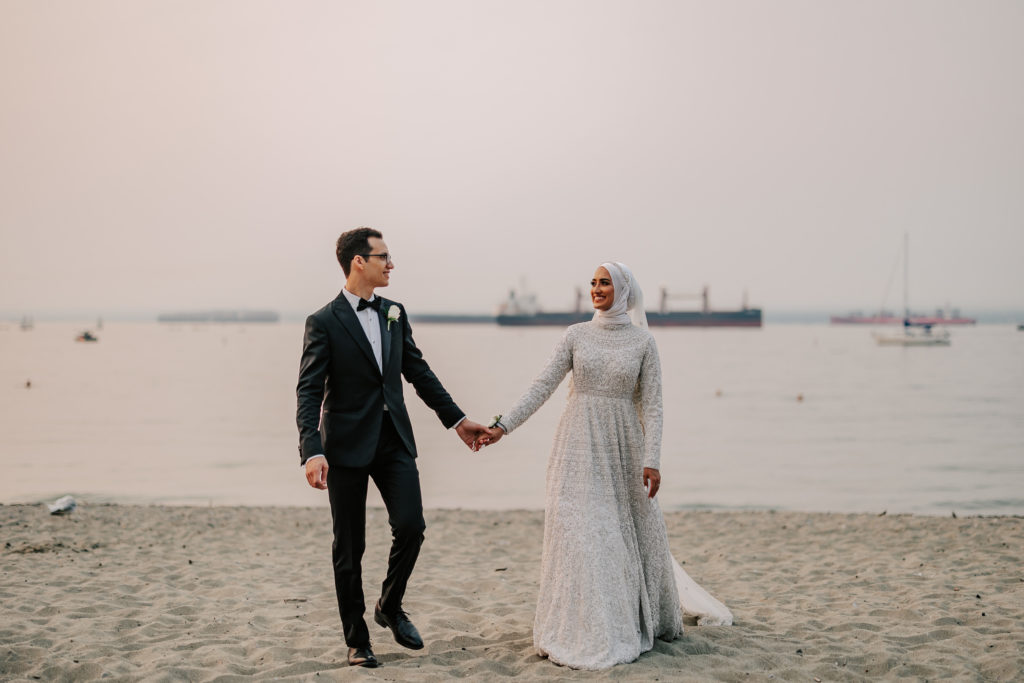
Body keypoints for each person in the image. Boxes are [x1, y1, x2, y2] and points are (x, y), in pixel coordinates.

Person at [482, 262, 732, 670]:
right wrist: (502, 426)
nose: (597, 289)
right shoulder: (575, 335)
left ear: (623, 290)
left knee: (615, 536)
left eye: (605, 283)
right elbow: (542, 385)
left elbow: (652, 405)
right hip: (575, 447)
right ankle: (580, 624)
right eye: (593, 283)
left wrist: (652, 460)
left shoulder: (643, 343)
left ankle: (621, 622)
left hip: (624, 451)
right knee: (580, 532)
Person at [296, 227, 489, 668]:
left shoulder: (394, 313)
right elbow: (308, 392)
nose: (391, 264)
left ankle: (390, 604)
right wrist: (312, 450)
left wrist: (457, 420)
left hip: (394, 440)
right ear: (358, 261)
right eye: (383, 257)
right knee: (350, 547)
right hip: (343, 446)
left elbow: (419, 373)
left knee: (412, 525)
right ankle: (357, 640)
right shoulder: (323, 322)